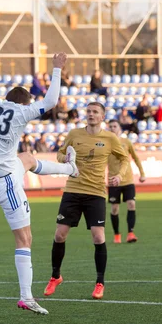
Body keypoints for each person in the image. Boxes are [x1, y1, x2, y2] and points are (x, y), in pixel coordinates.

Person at [0, 52, 78, 315]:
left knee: (28, 158)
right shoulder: (22, 111)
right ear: (25, 102)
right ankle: (26, 297)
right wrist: (56, 69)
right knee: (25, 239)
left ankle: (69, 168)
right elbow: (52, 101)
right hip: (5, 183)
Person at [44, 101, 129, 300]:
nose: (91, 114)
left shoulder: (110, 138)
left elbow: (124, 158)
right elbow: (60, 153)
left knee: (98, 237)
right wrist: (64, 159)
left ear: (102, 116)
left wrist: (119, 176)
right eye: (88, 111)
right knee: (59, 235)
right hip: (73, 190)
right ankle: (55, 276)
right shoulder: (74, 134)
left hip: (96, 193)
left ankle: (100, 282)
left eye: (95, 112)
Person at [107, 120, 146, 244]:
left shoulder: (126, 142)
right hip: (114, 181)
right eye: (111, 127)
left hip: (128, 179)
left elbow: (136, 158)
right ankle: (117, 234)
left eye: (115, 126)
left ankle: (130, 233)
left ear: (119, 128)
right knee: (114, 209)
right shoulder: (106, 144)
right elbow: (101, 162)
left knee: (131, 204)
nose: (113, 128)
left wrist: (142, 173)